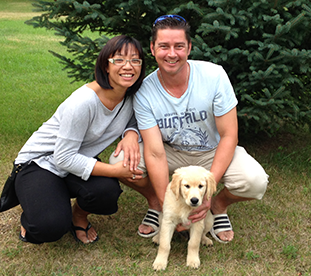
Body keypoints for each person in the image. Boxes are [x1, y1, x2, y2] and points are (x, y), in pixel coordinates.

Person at [112, 15, 269, 243]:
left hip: (212, 151)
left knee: (255, 181)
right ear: (153, 48)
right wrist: (169, 204)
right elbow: (155, 153)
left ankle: (217, 206)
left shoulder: (214, 76)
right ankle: (156, 205)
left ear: (189, 48)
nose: (172, 54)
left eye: (179, 46)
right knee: (121, 163)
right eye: (164, 46)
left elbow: (229, 136)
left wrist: (207, 194)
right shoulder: (145, 90)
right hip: (171, 152)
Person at [14, 35, 159, 244]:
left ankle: (78, 215)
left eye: (135, 60)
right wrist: (116, 171)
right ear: (105, 65)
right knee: (48, 226)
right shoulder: (83, 102)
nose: (128, 66)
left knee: (106, 192)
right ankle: (37, 207)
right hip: (40, 163)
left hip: (76, 161)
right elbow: (63, 158)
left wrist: (130, 134)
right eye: (119, 60)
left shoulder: (131, 94)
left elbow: (138, 118)